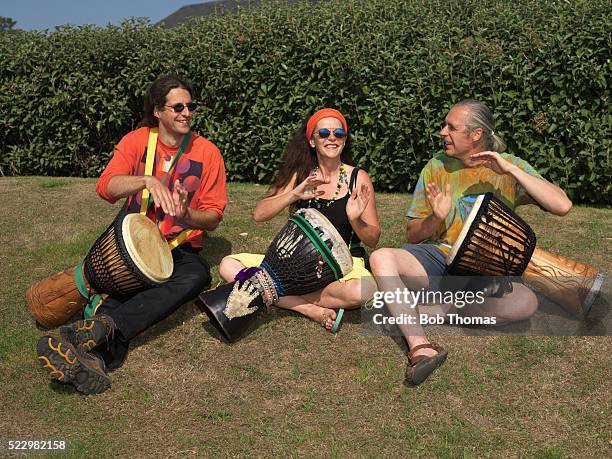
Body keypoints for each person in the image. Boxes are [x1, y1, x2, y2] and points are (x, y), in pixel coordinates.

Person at [36, 76, 227, 394]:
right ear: (158, 111)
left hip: (177, 247)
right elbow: (105, 186)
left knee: (196, 275)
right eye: (178, 106)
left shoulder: (207, 153)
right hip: (131, 238)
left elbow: (214, 217)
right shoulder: (137, 141)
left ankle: (97, 338)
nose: (186, 113)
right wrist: (145, 180)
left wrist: (187, 214)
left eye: (190, 106)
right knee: (128, 283)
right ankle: (96, 355)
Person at [369, 99, 572, 386]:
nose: (442, 132)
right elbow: (413, 235)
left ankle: (440, 310)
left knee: (525, 304)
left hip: (487, 268)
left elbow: (562, 205)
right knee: (381, 258)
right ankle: (420, 347)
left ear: (476, 134)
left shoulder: (510, 165)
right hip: (440, 258)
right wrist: (435, 219)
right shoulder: (436, 166)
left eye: (451, 127)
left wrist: (511, 171)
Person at [219, 108, 380, 330]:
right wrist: (294, 194)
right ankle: (306, 307)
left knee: (365, 290)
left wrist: (355, 220)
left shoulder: (358, 178)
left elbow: (373, 238)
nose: (331, 138)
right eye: (323, 133)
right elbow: (259, 214)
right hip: (291, 264)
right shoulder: (301, 174)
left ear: (344, 139)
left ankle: (274, 293)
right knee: (228, 265)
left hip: (340, 268)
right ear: (312, 141)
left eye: (338, 133)